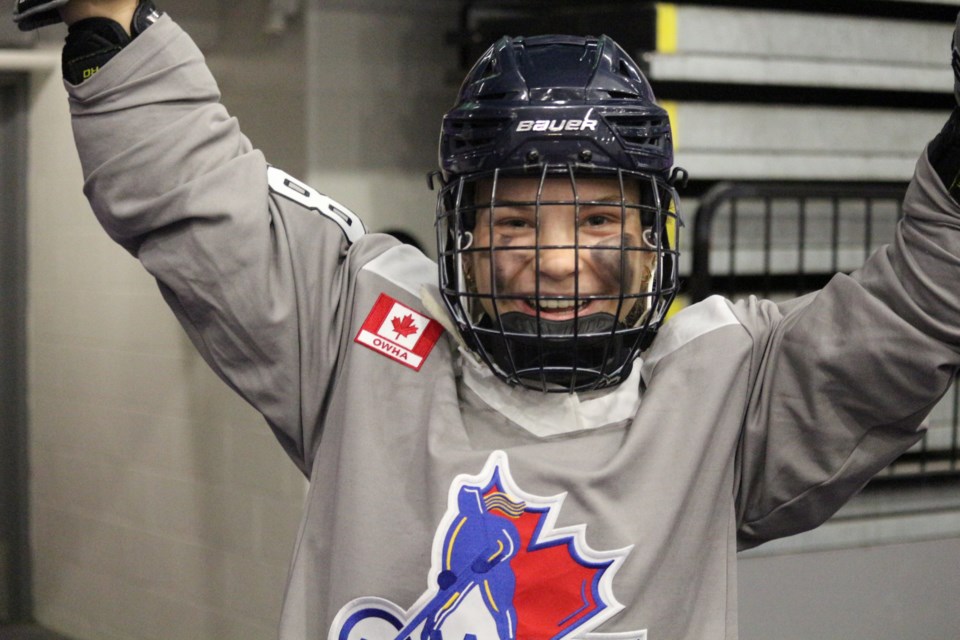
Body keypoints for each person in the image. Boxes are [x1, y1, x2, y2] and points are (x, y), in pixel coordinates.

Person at [12, 1, 960, 638]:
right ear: (459, 228)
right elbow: (199, 197)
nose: (552, 261)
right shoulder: (365, 337)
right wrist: (111, 23)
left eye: (596, 219)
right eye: (512, 220)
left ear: (651, 231)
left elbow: (910, 316)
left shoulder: (723, 387)